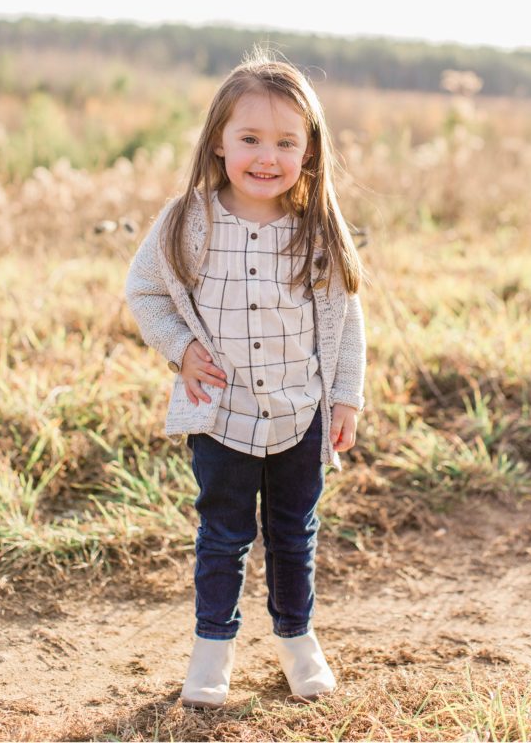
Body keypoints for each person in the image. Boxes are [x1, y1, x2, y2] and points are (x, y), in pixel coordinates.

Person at [125, 46, 366, 708]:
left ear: (309, 151)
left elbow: (346, 320)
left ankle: (297, 640)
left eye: (285, 141)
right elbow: (143, 291)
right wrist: (179, 348)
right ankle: (212, 649)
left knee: (293, 533)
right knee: (223, 534)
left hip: (299, 412)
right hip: (221, 412)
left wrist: (345, 396)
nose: (267, 156)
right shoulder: (190, 220)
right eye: (250, 138)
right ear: (218, 145)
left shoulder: (315, 229)